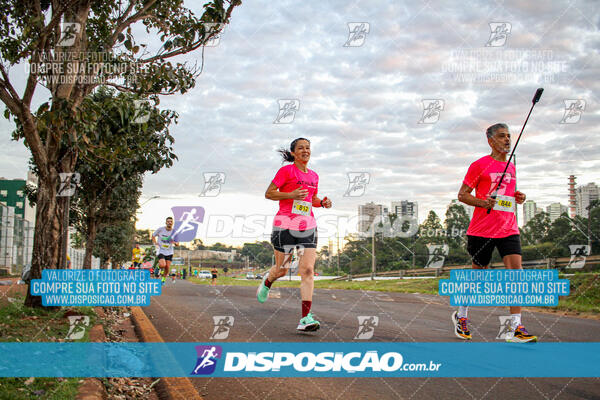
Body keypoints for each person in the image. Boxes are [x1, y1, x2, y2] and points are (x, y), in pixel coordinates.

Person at [454, 123, 537, 343]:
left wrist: (519, 197)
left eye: (509, 136)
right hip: (482, 230)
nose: (507, 140)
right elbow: (462, 195)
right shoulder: (478, 165)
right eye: (502, 136)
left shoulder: (512, 166)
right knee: (477, 276)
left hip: (508, 227)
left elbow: (507, 194)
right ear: (491, 141)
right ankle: (461, 315)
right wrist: (483, 202)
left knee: (516, 273)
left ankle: (515, 326)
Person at [256, 138, 332, 332]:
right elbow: (269, 193)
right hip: (285, 224)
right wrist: (290, 195)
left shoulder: (314, 176)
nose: (305, 150)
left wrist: (321, 203)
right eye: (301, 148)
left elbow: (311, 199)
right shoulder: (286, 171)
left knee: (307, 270)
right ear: (293, 153)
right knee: (283, 269)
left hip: (308, 225)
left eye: (308, 147)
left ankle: (305, 318)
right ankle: (268, 281)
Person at [152, 217, 179, 284]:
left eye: (171, 221)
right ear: (166, 222)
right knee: (163, 265)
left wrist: (175, 243)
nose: (169, 222)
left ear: (172, 223)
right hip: (161, 250)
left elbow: (177, 243)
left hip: (169, 251)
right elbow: (153, 235)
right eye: (168, 221)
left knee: (167, 267)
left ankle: (163, 280)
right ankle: (158, 267)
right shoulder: (160, 229)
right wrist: (155, 243)